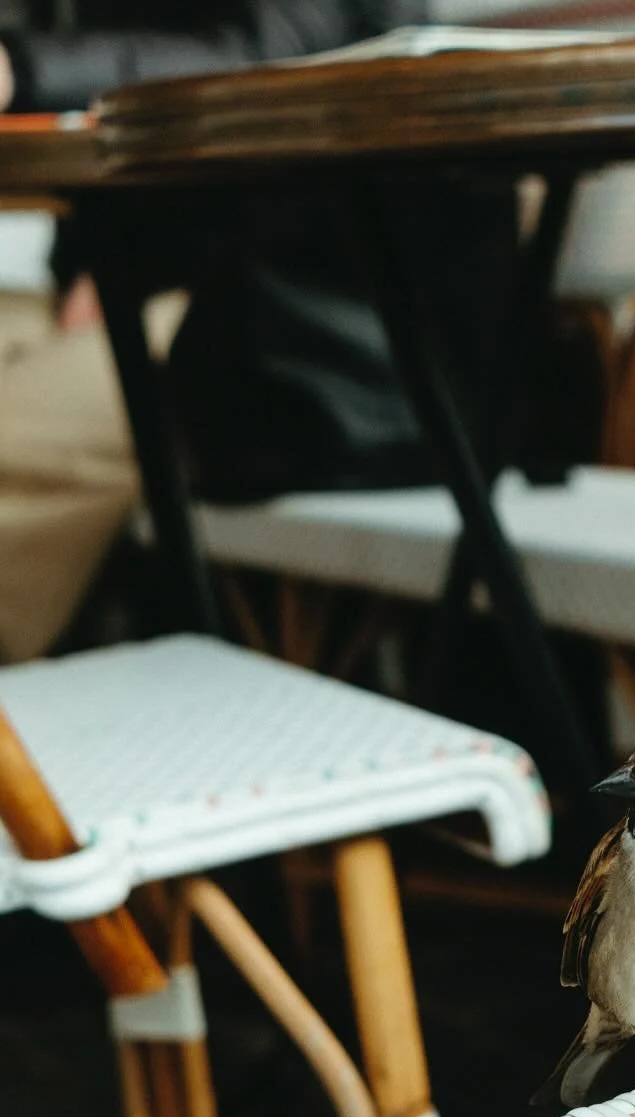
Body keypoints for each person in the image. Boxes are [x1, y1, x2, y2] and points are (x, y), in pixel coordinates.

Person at [0, 0, 520, 658]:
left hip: (290, 322)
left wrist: (20, 69)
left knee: (14, 435)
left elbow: (259, 60)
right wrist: (88, 267)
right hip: (151, 287)